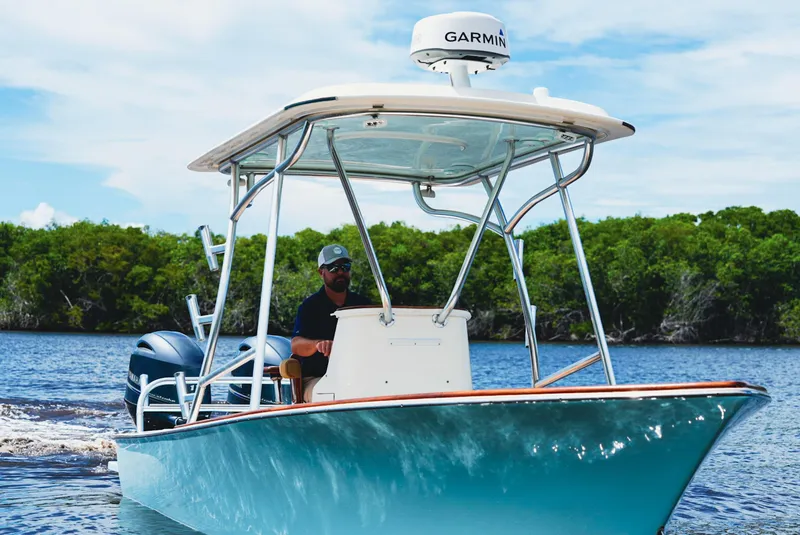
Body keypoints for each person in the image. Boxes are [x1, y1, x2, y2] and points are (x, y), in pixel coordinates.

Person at [290, 244, 371, 402]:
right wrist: (319, 344)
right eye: (334, 268)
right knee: (334, 392)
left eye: (345, 267)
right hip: (316, 378)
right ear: (321, 272)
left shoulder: (364, 305)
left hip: (358, 377)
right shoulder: (309, 307)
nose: (340, 272)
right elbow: (296, 345)